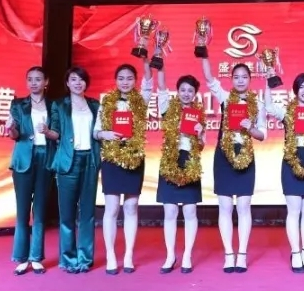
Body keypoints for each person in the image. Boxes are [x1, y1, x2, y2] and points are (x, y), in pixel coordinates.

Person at [200, 57, 267, 273]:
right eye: (236, 77)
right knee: (225, 207)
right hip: (224, 157)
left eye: (244, 77)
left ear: (250, 79)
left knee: (244, 207)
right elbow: (209, 79)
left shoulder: (258, 104)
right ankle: (229, 253)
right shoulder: (226, 98)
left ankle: (242, 254)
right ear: (231, 79)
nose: (240, 80)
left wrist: (250, 128)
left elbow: (262, 135)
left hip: (246, 156)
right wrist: (203, 52)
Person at [264, 71, 304, 273]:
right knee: (294, 210)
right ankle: (295, 252)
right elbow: (268, 107)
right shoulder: (287, 112)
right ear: (296, 90)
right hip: (291, 161)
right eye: (302, 87)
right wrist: (268, 84)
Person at [93, 61, 153, 275]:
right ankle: (111, 255)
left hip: (134, 157)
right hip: (112, 159)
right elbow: (96, 132)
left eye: (129, 78)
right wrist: (106, 134)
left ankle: (128, 255)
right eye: (121, 78)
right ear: (115, 81)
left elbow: (149, 83)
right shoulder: (107, 101)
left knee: (131, 207)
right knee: (111, 208)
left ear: (135, 81)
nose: (125, 82)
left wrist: (146, 59)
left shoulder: (140, 100)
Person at [47, 66, 101, 274]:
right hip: (68, 161)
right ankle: (68, 259)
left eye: (81, 79)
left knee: (87, 213)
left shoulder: (95, 105)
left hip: (90, 160)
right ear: (67, 83)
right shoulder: (59, 105)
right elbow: (55, 132)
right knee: (67, 213)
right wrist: (46, 132)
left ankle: (85, 258)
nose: (78, 83)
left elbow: (99, 131)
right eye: (74, 80)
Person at [5, 66, 56, 275]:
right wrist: (11, 129)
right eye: (30, 79)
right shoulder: (18, 104)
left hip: (46, 157)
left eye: (38, 79)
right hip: (23, 159)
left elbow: (58, 132)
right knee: (23, 210)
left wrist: (48, 132)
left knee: (40, 210)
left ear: (46, 82)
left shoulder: (54, 105)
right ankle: (21, 257)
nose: (33, 83)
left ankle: (36, 257)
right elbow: (15, 135)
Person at [156, 69, 206, 274]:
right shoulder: (168, 108)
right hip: (170, 160)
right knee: (170, 211)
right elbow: (161, 87)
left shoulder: (198, 114)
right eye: (183, 90)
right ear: (177, 91)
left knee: (190, 211)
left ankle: (187, 255)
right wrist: (159, 63)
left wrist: (200, 134)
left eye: (190, 91)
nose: (186, 93)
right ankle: (170, 255)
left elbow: (201, 146)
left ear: (195, 94)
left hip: (189, 161)